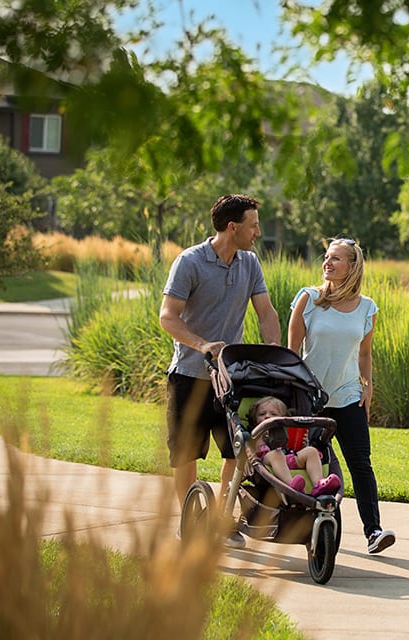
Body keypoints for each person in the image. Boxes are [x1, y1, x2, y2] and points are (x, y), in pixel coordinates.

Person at [159, 193, 281, 549]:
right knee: (186, 452)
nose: (258, 232)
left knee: (237, 451)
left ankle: (223, 519)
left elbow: (266, 312)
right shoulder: (190, 262)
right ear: (233, 227)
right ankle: (190, 521)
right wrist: (203, 345)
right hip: (190, 374)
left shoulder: (249, 263)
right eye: (253, 225)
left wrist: (273, 350)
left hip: (231, 379)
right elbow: (168, 316)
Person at [287, 237, 396, 555]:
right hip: (312, 401)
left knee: (361, 464)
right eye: (327, 257)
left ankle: (373, 531)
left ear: (352, 266)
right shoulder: (308, 300)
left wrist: (368, 385)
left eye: (336, 258)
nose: (328, 262)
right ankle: (317, 534)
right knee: (318, 466)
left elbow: (364, 353)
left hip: (348, 398)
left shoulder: (367, 308)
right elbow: (291, 353)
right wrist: (294, 395)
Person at [247, 395, 341, 496]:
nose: (267, 416)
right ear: (255, 417)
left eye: (273, 414)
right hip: (266, 461)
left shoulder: (288, 431)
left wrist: (302, 445)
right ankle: (291, 484)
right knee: (277, 454)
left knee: (311, 451)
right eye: (261, 414)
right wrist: (262, 434)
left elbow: (293, 449)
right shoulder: (255, 433)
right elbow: (253, 448)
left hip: (288, 458)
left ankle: (318, 483)